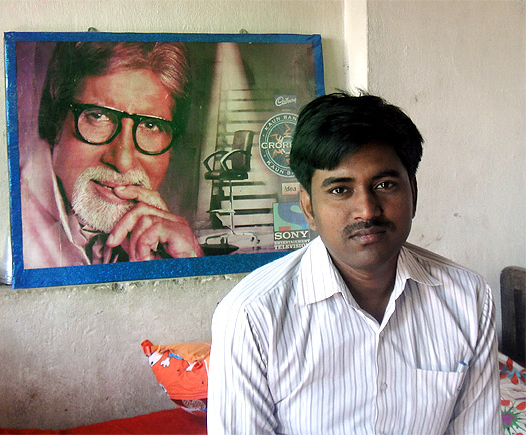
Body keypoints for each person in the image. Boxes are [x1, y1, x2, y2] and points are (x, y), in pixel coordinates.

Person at [207, 92, 500, 434]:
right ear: (308, 207)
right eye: (340, 190)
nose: (367, 210)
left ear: (414, 193)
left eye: (385, 185)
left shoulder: (468, 298)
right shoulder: (252, 316)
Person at [22, 41, 203, 268]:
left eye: (150, 125)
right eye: (98, 116)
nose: (123, 162)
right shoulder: (14, 229)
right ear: (55, 121)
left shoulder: (163, 241)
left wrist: (188, 266)